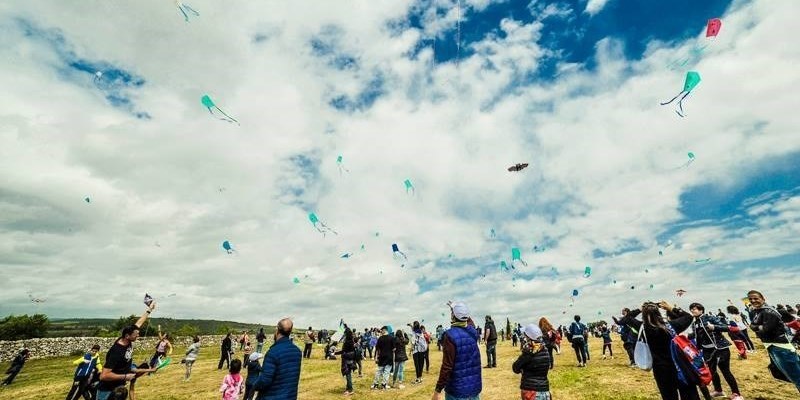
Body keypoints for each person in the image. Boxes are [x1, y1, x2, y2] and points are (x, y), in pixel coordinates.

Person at [639, 301, 699, 400]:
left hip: (661, 368)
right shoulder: (671, 326)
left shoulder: (644, 329)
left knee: (668, 396)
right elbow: (688, 317)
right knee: (689, 393)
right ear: (658, 313)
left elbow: (627, 319)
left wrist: (641, 309)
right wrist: (670, 308)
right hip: (679, 365)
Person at [96, 303, 157, 400]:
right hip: (107, 391)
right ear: (127, 336)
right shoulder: (116, 351)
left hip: (119, 387)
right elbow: (104, 376)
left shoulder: (127, 339)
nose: (138, 336)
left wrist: (149, 309)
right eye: (136, 334)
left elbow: (139, 323)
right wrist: (125, 377)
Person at [747, 290, 800, 392]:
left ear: (763, 299)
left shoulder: (767, 311)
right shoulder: (759, 311)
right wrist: (757, 327)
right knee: (792, 376)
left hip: (781, 348)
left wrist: (756, 327)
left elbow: (764, 331)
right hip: (773, 346)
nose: (753, 300)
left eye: (756, 298)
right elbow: (753, 326)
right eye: (750, 299)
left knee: (796, 377)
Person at [689, 302, 743, 399]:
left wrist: (714, 327)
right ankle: (718, 391)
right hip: (706, 350)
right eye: (691, 309)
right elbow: (696, 335)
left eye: (695, 308)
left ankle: (737, 394)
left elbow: (726, 327)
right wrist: (684, 336)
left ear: (701, 310)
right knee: (712, 371)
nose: (693, 310)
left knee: (725, 371)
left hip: (720, 348)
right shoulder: (695, 323)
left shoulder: (710, 318)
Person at [432, 301, 482, 400]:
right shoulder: (473, 331)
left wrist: (437, 390)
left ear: (452, 316)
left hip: (456, 391)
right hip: (474, 389)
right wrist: (456, 309)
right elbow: (468, 321)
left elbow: (447, 367)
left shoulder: (450, 336)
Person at [253, 318, 302, 399]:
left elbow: (265, 380)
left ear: (277, 330)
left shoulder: (273, 352)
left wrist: (255, 385)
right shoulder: (297, 351)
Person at [513, 324, 552, 400]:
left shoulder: (529, 351)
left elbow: (515, 368)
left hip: (530, 390)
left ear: (528, 337)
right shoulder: (545, 349)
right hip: (545, 390)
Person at [371, 326, 394, 390]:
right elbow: (394, 349)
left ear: (384, 330)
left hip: (381, 357)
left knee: (379, 371)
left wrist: (376, 357)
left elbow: (377, 348)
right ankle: (384, 385)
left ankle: (375, 384)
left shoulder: (380, 338)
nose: (381, 331)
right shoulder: (391, 338)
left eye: (382, 330)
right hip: (389, 357)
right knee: (386, 372)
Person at [338, 329, 357, 395]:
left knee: (348, 375)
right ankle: (348, 388)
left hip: (347, 360)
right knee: (348, 374)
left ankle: (350, 389)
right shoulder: (352, 341)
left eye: (345, 334)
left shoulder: (347, 342)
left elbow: (343, 351)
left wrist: (335, 353)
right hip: (351, 359)